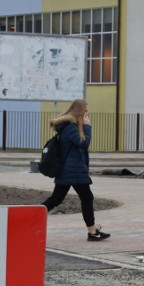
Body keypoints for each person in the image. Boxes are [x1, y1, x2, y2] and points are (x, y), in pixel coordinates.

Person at [41, 99, 110, 241]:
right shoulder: (70, 127)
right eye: (85, 112)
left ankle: (31, 215)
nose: (86, 115)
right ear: (79, 112)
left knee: (56, 199)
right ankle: (92, 232)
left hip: (71, 170)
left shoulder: (68, 126)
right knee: (85, 198)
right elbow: (83, 143)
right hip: (73, 170)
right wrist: (88, 127)